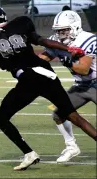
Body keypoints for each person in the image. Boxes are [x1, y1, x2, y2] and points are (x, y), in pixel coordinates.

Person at [0, 5, 97, 171]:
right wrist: (68, 48)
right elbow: (41, 40)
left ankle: (29, 153)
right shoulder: (21, 23)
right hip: (48, 75)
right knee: (73, 116)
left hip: (29, 79)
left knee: (1, 118)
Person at [39, 10, 97, 163]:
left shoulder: (87, 39)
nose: (61, 34)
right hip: (81, 86)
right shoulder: (57, 40)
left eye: (65, 30)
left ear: (75, 27)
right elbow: (43, 58)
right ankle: (71, 146)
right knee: (58, 113)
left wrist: (68, 62)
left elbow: (84, 69)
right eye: (58, 31)